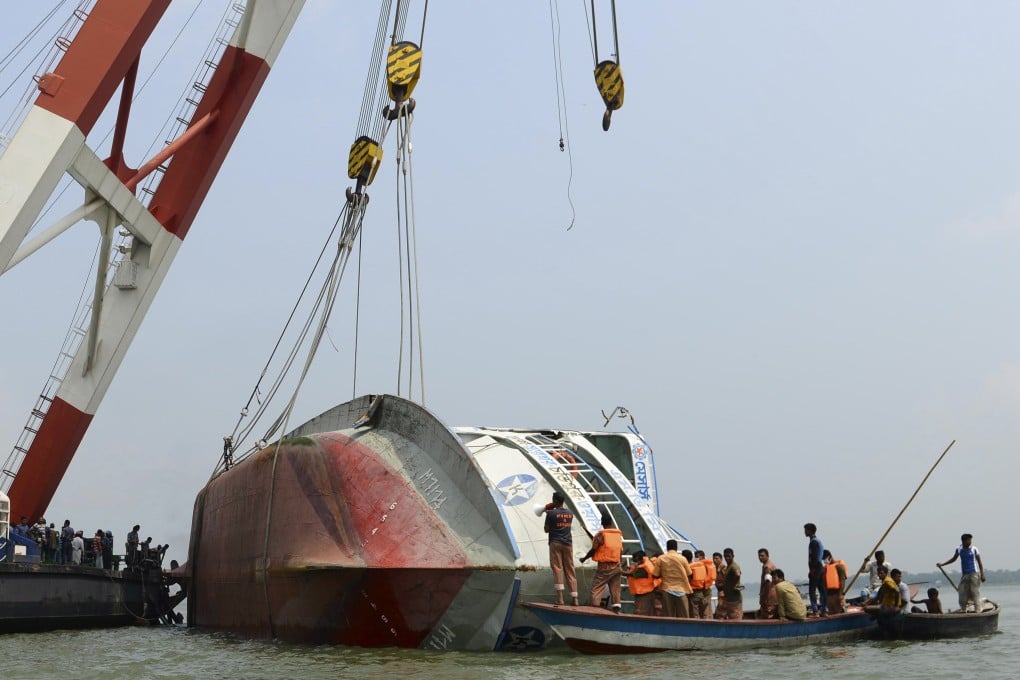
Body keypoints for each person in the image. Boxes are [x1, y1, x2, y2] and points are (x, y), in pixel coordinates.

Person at [580, 514, 623, 612]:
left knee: (597, 587)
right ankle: (616, 608)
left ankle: (594, 608)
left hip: (605, 566)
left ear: (602, 523)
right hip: (616, 565)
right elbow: (621, 550)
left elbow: (593, 550)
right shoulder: (617, 535)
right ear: (611, 523)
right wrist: (620, 564)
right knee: (615, 587)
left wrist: (584, 558)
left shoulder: (601, 535)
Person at [542, 492, 579, 605]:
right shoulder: (570, 514)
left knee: (558, 569)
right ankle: (575, 599)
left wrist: (548, 514)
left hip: (555, 543)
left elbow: (546, 529)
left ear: (555, 500)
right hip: (568, 543)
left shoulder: (551, 514)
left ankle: (560, 599)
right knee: (570, 569)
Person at [937, 533, 986, 613]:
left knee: (974, 592)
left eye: (970, 540)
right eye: (969, 540)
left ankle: (977, 610)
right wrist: (942, 564)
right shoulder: (959, 548)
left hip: (974, 573)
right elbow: (953, 559)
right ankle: (963, 609)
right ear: (964, 541)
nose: (970, 542)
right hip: (965, 574)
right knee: (962, 591)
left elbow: (980, 563)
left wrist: (982, 574)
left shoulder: (974, 549)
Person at [652, 539, 693, 617]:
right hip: (682, 590)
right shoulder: (682, 559)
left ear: (667, 548)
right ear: (676, 548)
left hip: (667, 589)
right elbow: (689, 574)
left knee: (668, 616)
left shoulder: (661, 558)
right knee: (684, 616)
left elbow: (655, 575)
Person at [624, 550, 658, 615]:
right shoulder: (646, 563)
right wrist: (631, 568)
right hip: (645, 591)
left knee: (641, 611)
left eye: (634, 558)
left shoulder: (644, 567)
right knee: (648, 610)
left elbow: (634, 574)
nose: (633, 560)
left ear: (640, 557)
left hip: (644, 592)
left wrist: (620, 571)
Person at [804, 523, 827, 616]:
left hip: (816, 567)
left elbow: (814, 556)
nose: (804, 532)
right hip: (819, 567)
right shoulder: (817, 541)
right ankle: (824, 610)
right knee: (822, 589)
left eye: (806, 530)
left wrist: (812, 570)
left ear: (810, 531)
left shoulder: (814, 542)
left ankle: (816, 611)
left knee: (812, 590)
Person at [716, 548, 743, 620]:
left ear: (733, 556)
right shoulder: (728, 567)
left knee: (735, 618)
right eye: (725, 556)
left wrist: (733, 584)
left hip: (734, 599)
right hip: (728, 598)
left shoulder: (734, 566)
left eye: (728, 556)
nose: (727, 558)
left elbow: (737, 574)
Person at [688, 549, 712, 619]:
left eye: (697, 557)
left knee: (700, 613)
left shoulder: (704, 567)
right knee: (704, 613)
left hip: (704, 593)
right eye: (695, 557)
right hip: (703, 593)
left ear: (703, 557)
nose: (696, 559)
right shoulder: (700, 566)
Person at [823, 549, 847, 614]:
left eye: (825, 559)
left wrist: (840, 595)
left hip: (837, 594)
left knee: (838, 612)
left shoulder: (839, 567)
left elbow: (843, 581)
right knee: (831, 612)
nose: (824, 561)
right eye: (823, 559)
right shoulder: (825, 569)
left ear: (829, 557)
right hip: (829, 595)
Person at [756, 548, 777, 619]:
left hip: (769, 595)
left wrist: (765, 597)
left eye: (762, 556)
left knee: (767, 615)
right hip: (771, 594)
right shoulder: (769, 565)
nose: (760, 558)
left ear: (767, 556)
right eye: (759, 556)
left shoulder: (767, 567)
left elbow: (768, 582)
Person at [711, 551, 727, 619]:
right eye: (714, 559)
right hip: (720, 592)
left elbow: (728, 580)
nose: (715, 560)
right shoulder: (716, 569)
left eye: (717, 558)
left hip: (724, 592)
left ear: (721, 559)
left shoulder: (723, 568)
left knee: (720, 612)